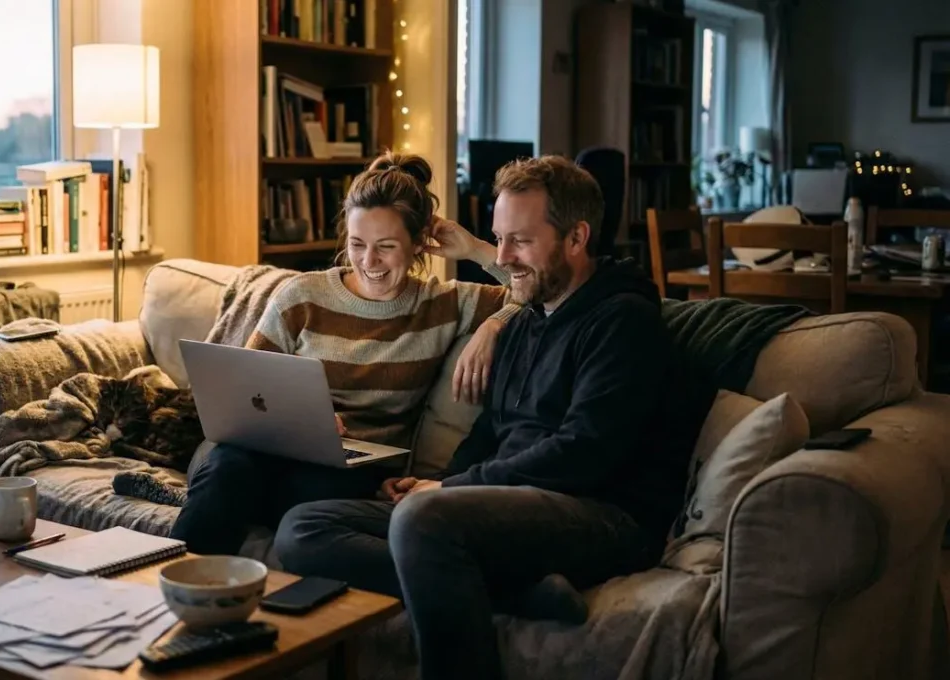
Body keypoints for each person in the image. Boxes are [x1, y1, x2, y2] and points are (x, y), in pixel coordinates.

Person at [273, 155, 710, 680]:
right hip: (507, 505)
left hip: (600, 512)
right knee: (304, 526)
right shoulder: (527, 318)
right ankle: (517, 589)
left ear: (576, 238)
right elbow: (490, 430)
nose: (503, 257)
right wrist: (441, 481)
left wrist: (450, 492)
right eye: (497, 239)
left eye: (519, 242)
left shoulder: (621, 321)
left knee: (421, 519)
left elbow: (584, 451)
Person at [169, 152, 523, 556]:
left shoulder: (445, 304)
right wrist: (304, 419)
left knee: (310, 494)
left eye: (386, 246)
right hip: (260, 452)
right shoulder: (302, 296)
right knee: (225, 467)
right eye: (357, 244)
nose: (368, 261)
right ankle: (170, 593)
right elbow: (244, 391)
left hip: (351, 471)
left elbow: (537, 290)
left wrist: (478, 257)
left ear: (419, 242)